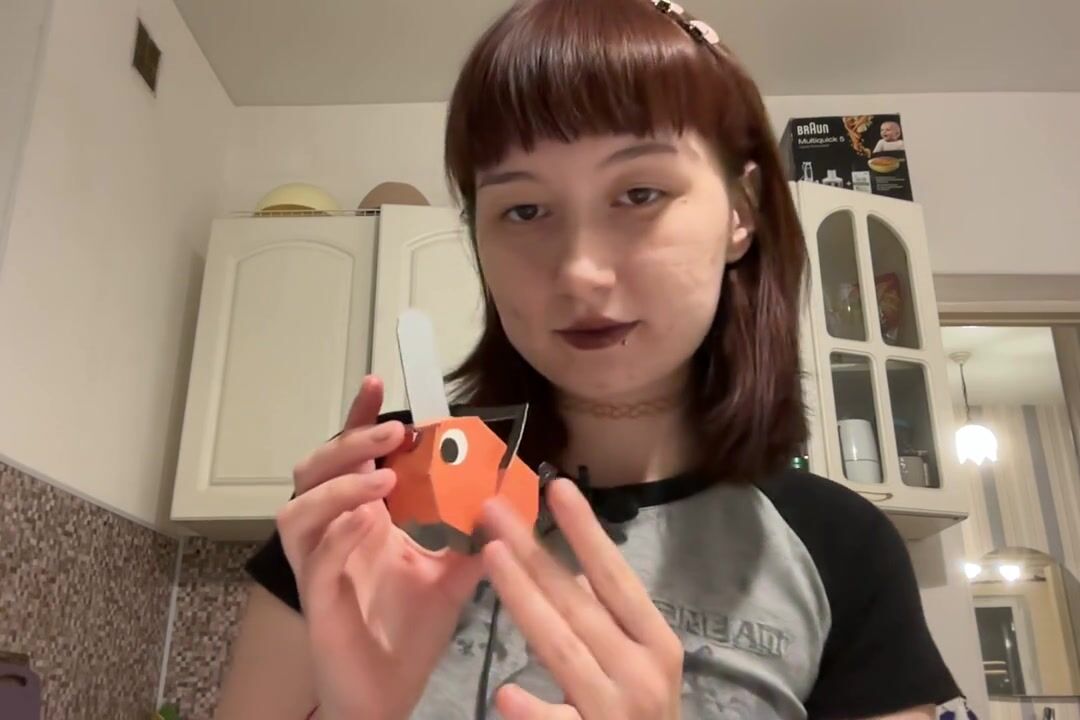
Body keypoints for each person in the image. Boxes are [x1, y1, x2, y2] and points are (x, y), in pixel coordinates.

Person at [215, 1, 963, 718]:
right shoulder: (376, 491)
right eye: (524, 210)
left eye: (639, 193)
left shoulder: (844, 551)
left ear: (742, 212)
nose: (579, 272)